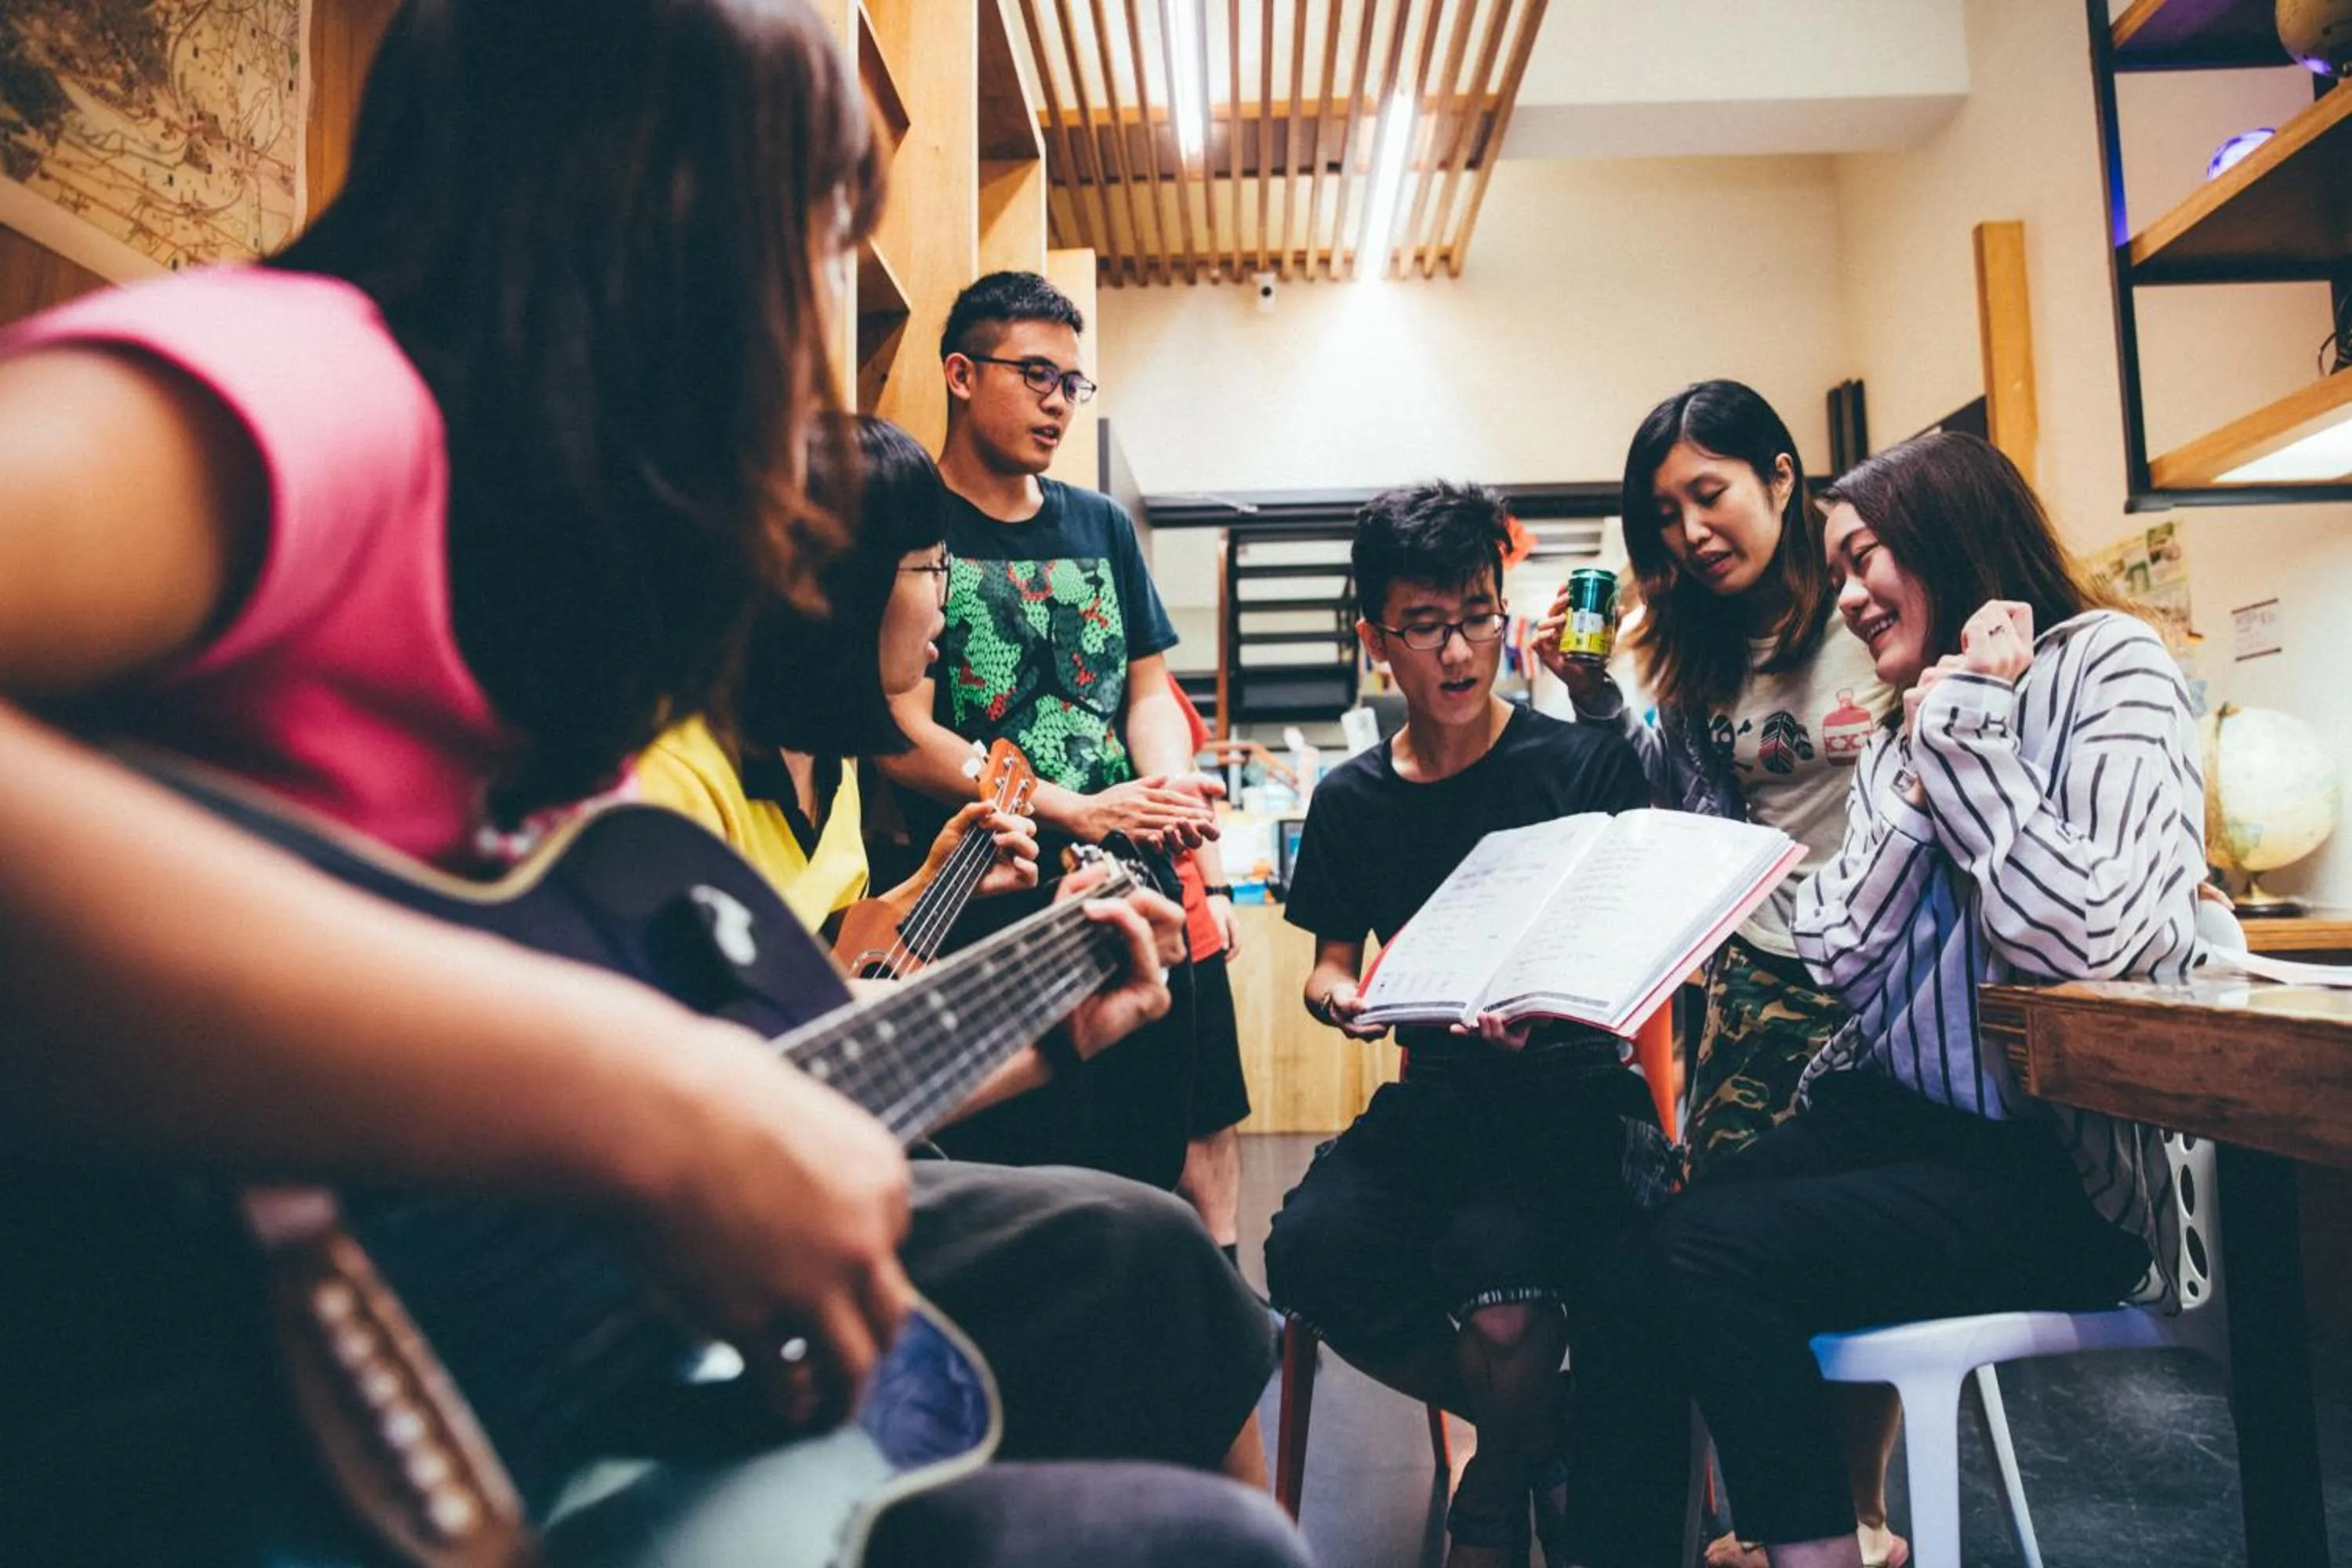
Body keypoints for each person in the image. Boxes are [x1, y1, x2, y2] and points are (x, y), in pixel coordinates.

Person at [0, 5, 1308, 1566]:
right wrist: (629, 1094)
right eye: (810, 229)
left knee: (1139, 1278)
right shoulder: (316, 387)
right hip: (190, 1397)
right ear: (663, 210)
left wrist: (1004, 1039)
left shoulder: (532, 549)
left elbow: (621, 1075)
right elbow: (599, 1085)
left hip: (506, 1312)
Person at [1554, 431, 2197, 1568]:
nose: (1850, 596)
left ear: (1953, 536)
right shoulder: (1914, 712)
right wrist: (1932, 731)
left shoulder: (2111, 664)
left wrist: (1971, 731)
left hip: (2062, 1160)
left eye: (1867, 561)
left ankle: (1820, 1547)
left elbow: (2077, 941)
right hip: (1902, 1115)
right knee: (1627, 1264)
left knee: (1710, 1253)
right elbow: (1838, 942)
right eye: (1839, 571)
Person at [635, 413, 1276, 1480]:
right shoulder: (678, 775)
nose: (949, 598)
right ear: (836, 583)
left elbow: (826, 977)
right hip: (732, 1234)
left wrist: (932, 891)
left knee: (1166, 1254)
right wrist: (1045, 1044)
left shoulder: (828, 767)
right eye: (931, 568)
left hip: (833, 1142)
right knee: (1156, 1256)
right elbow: (754, 1082)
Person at [1534, 379, 1901, 1566]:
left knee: (1841, 1250)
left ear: (1781, 479)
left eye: (1711, 494)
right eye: (1666, 516)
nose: (1692, 532)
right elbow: (1686, 811)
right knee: (1721, 1249)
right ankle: (1764, 1517)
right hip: (1756, 977)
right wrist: (1594, 693)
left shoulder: (1871, 603)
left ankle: (1854, 1511)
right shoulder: (1697, 642)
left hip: (1891, 970)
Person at [1261, 482, 1658, 1568]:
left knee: (1503, 1299)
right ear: (1376, 639)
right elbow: (1329, 966)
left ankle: (1492, 1488)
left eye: (1477, 615)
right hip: (1437, 1100)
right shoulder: (1351, 800)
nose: (1456, 651)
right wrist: (1341, 999)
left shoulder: (1573, 764)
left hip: (1569, 1100)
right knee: (1307, 1249)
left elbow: (1635, 937)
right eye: (1425, 626)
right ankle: (1534, 1435)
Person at [878, 270, 1219, 1191]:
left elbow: (1149, 689)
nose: (1059, 402)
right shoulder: (912, 522)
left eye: (1073, 383)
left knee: (1143, 1154)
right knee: (1022, 1163)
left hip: (1122, 873)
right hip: (987, 882)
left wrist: (1165, 787)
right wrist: (1079, 806)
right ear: (959, 372)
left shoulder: (1102, 524)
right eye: (1035, 374)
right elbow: (894, 726)